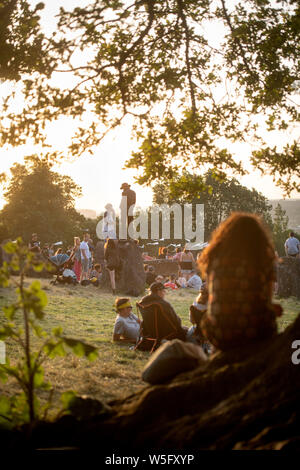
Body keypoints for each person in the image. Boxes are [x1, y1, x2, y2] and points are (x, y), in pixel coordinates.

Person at [198, 212, 283, 352]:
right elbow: (267, 298)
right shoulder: (262, 258)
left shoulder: (215, 257)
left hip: (219, 333)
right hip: (255, 333)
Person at [137, 281, 186, 346]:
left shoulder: (142, 303)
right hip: (165, 334)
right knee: (187, 331)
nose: (164, 293)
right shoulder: (162, 304)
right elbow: (177, 323)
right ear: (159, 291)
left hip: (149, 333)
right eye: (164, 291)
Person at [186, 283, 211, 354]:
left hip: (195, 333)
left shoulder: (194, 305)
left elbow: (192, 321)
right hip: (208, 334)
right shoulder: (212, 306)